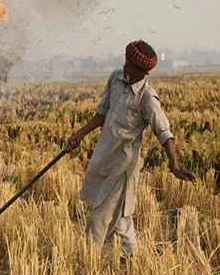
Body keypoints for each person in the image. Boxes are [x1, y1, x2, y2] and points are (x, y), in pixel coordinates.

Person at [67, 40, 196, 257]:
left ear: (143, 71)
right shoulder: (116, 79)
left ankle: (87, 260)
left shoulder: (147, 98)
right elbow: (102, 113)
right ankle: (131, 258)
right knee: (122, 217)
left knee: (100, 215)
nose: (125, 67)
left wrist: (173, 165)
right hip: (104, 157)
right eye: (126, 62)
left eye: (131, 66)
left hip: (122, 166)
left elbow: (164, 133)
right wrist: (79, 134)